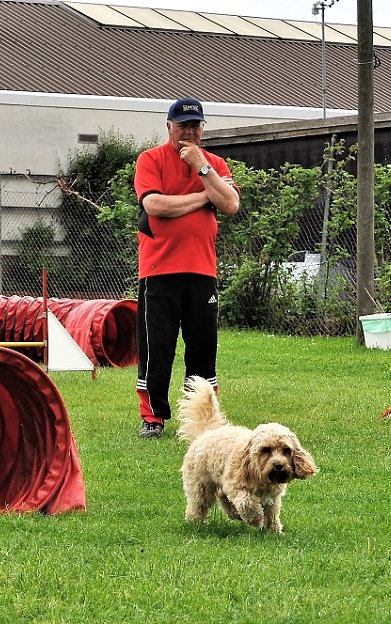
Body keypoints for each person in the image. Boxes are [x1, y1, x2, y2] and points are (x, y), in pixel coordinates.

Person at [133, 97, 240, 438]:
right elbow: (155, 205)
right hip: (158, 272)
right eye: (183, 126)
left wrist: (201, 168)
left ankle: (203, 416)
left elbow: (230, 204)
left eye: (195, 126)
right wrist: (203, 196)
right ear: (169, 127)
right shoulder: (150, 160)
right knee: (157, 348)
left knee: (202, 349)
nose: (189, 132)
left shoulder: (214, 163)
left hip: (202, 271)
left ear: (203, 128)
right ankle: (153, 417)